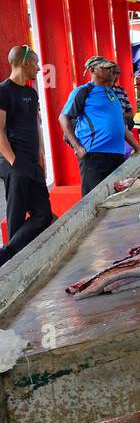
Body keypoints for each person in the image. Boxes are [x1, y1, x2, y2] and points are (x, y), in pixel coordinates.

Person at [0, 45, 54, 266]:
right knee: (16, 215)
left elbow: (36, 126)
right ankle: (13, 265)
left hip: (31, 162)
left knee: (44, 214)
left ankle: (7, 254)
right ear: (24, 63)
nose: (40, 68)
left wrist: (40, 154)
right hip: (14, 162)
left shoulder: (31, 92)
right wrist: (14, 162)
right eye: (36, 63)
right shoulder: (4, 91)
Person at [59, 56, 140, 196]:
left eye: (110, 68)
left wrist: (137, 147)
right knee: (94, 199)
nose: (110, 71)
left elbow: (120, 123)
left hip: (116, 154)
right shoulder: (83, 91)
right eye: (105, 68)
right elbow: (63, 117)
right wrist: (77, 146)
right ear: (92, 70)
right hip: (94, 154)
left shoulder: (111, 93)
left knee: (116, 197)